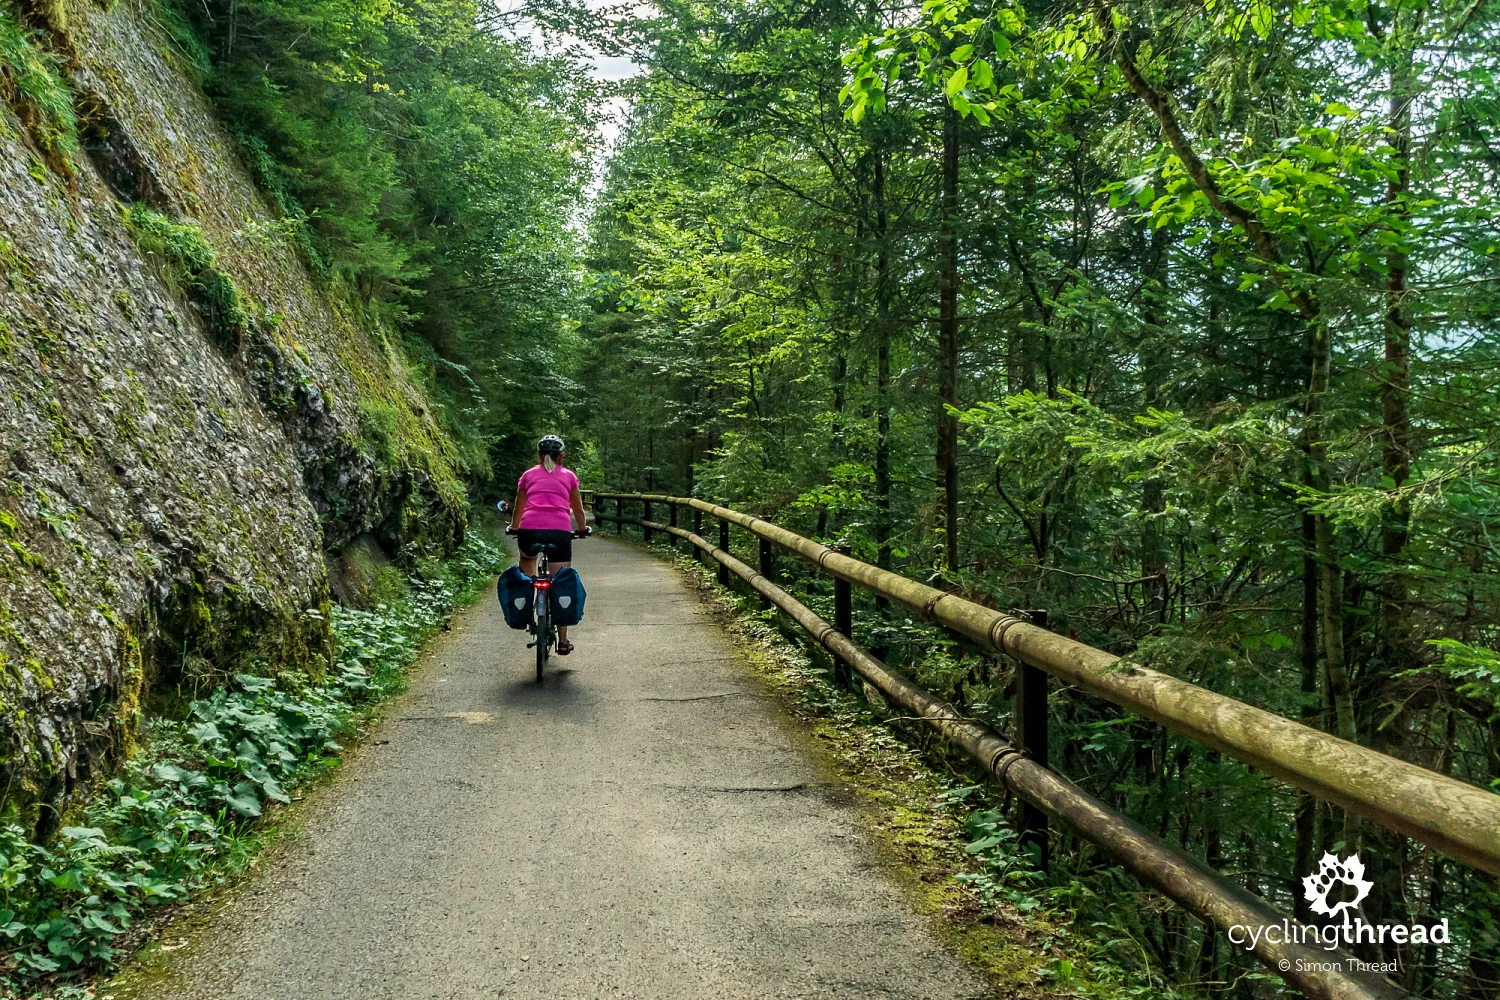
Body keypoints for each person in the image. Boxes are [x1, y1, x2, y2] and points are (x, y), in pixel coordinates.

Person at [509, 435, 590, 654]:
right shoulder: (569, 476)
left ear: (539, 456)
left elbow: (519, 506)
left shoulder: (528, 476)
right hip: (559, 533)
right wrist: (582, 530)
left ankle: (524, 611)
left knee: (526, 571)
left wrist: (514, 527)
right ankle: (563, 642)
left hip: (529, 532)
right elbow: (579, 510)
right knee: (561, 581)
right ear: (561, 456)